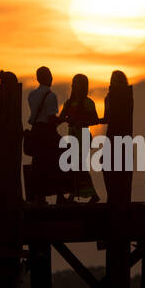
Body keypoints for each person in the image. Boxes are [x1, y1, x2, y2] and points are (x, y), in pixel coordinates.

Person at [57, 73, 101, 203]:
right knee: (74, 166)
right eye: (73, 83)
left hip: (83, 135)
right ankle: (76, 194)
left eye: (77, 83)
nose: (74, 86)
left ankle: (91, 194)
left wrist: (80, 121)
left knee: (79, 165)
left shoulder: (88, 102)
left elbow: (95, 120)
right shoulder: (69, 102)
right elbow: (60, 118)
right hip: (72, 135)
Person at [26, 66, 60, 204]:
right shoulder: (51, 96)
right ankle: (60, 194)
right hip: (47, 132)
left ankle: (38, 196)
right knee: (57, 163)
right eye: (50, 75)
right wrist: (63, 119)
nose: (52, 78)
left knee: (38, 164)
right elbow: (51, 118)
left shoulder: (31, 95)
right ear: (48, 78)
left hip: (36, 131)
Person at [101, 71, 134, 204]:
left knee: (107, 166)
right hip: (125, 136)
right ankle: (122, 198)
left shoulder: (110, 96)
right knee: (123, 170)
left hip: (113, 134)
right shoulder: (128, 95)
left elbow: (107, 118)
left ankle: (112, 196)